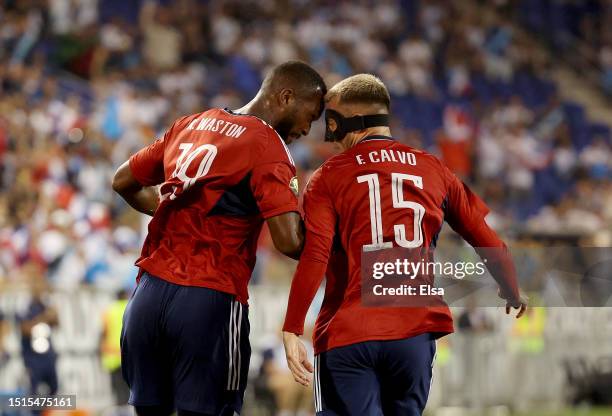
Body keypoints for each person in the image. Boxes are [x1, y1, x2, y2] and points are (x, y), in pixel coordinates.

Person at [282, 74, 527, 415]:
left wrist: (293, 326)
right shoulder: (434, 169)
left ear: (349, 120)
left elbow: (316, 254)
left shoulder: (329, 175)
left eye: (331, 118)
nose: (329, 131)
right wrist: (511, 288)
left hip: (350, 332)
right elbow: (486, 239)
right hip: (413, 333)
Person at [112, 60, 326, 416]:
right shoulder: (266, 144)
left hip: (148, 296)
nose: (308, 128)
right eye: (311, 114)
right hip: (209, 298)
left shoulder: (192, 123)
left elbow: (123, 181)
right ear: (286, 97)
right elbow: (289, 240)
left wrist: (174, 214)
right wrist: (334, 242)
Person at [17, 265, 59, 397]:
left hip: (48, 354)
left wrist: (52, 314)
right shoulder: (23, 304)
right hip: (32, 356)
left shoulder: (45, 303)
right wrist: (44, 318)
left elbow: (56, 322)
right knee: (34, 391)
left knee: (54, 388)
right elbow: (25, 329)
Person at [100, 289, 130, 407]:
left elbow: (104, 331)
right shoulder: (132, 308)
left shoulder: (109, 310)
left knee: (118, 391)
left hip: (112, 357)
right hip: (130, 356)